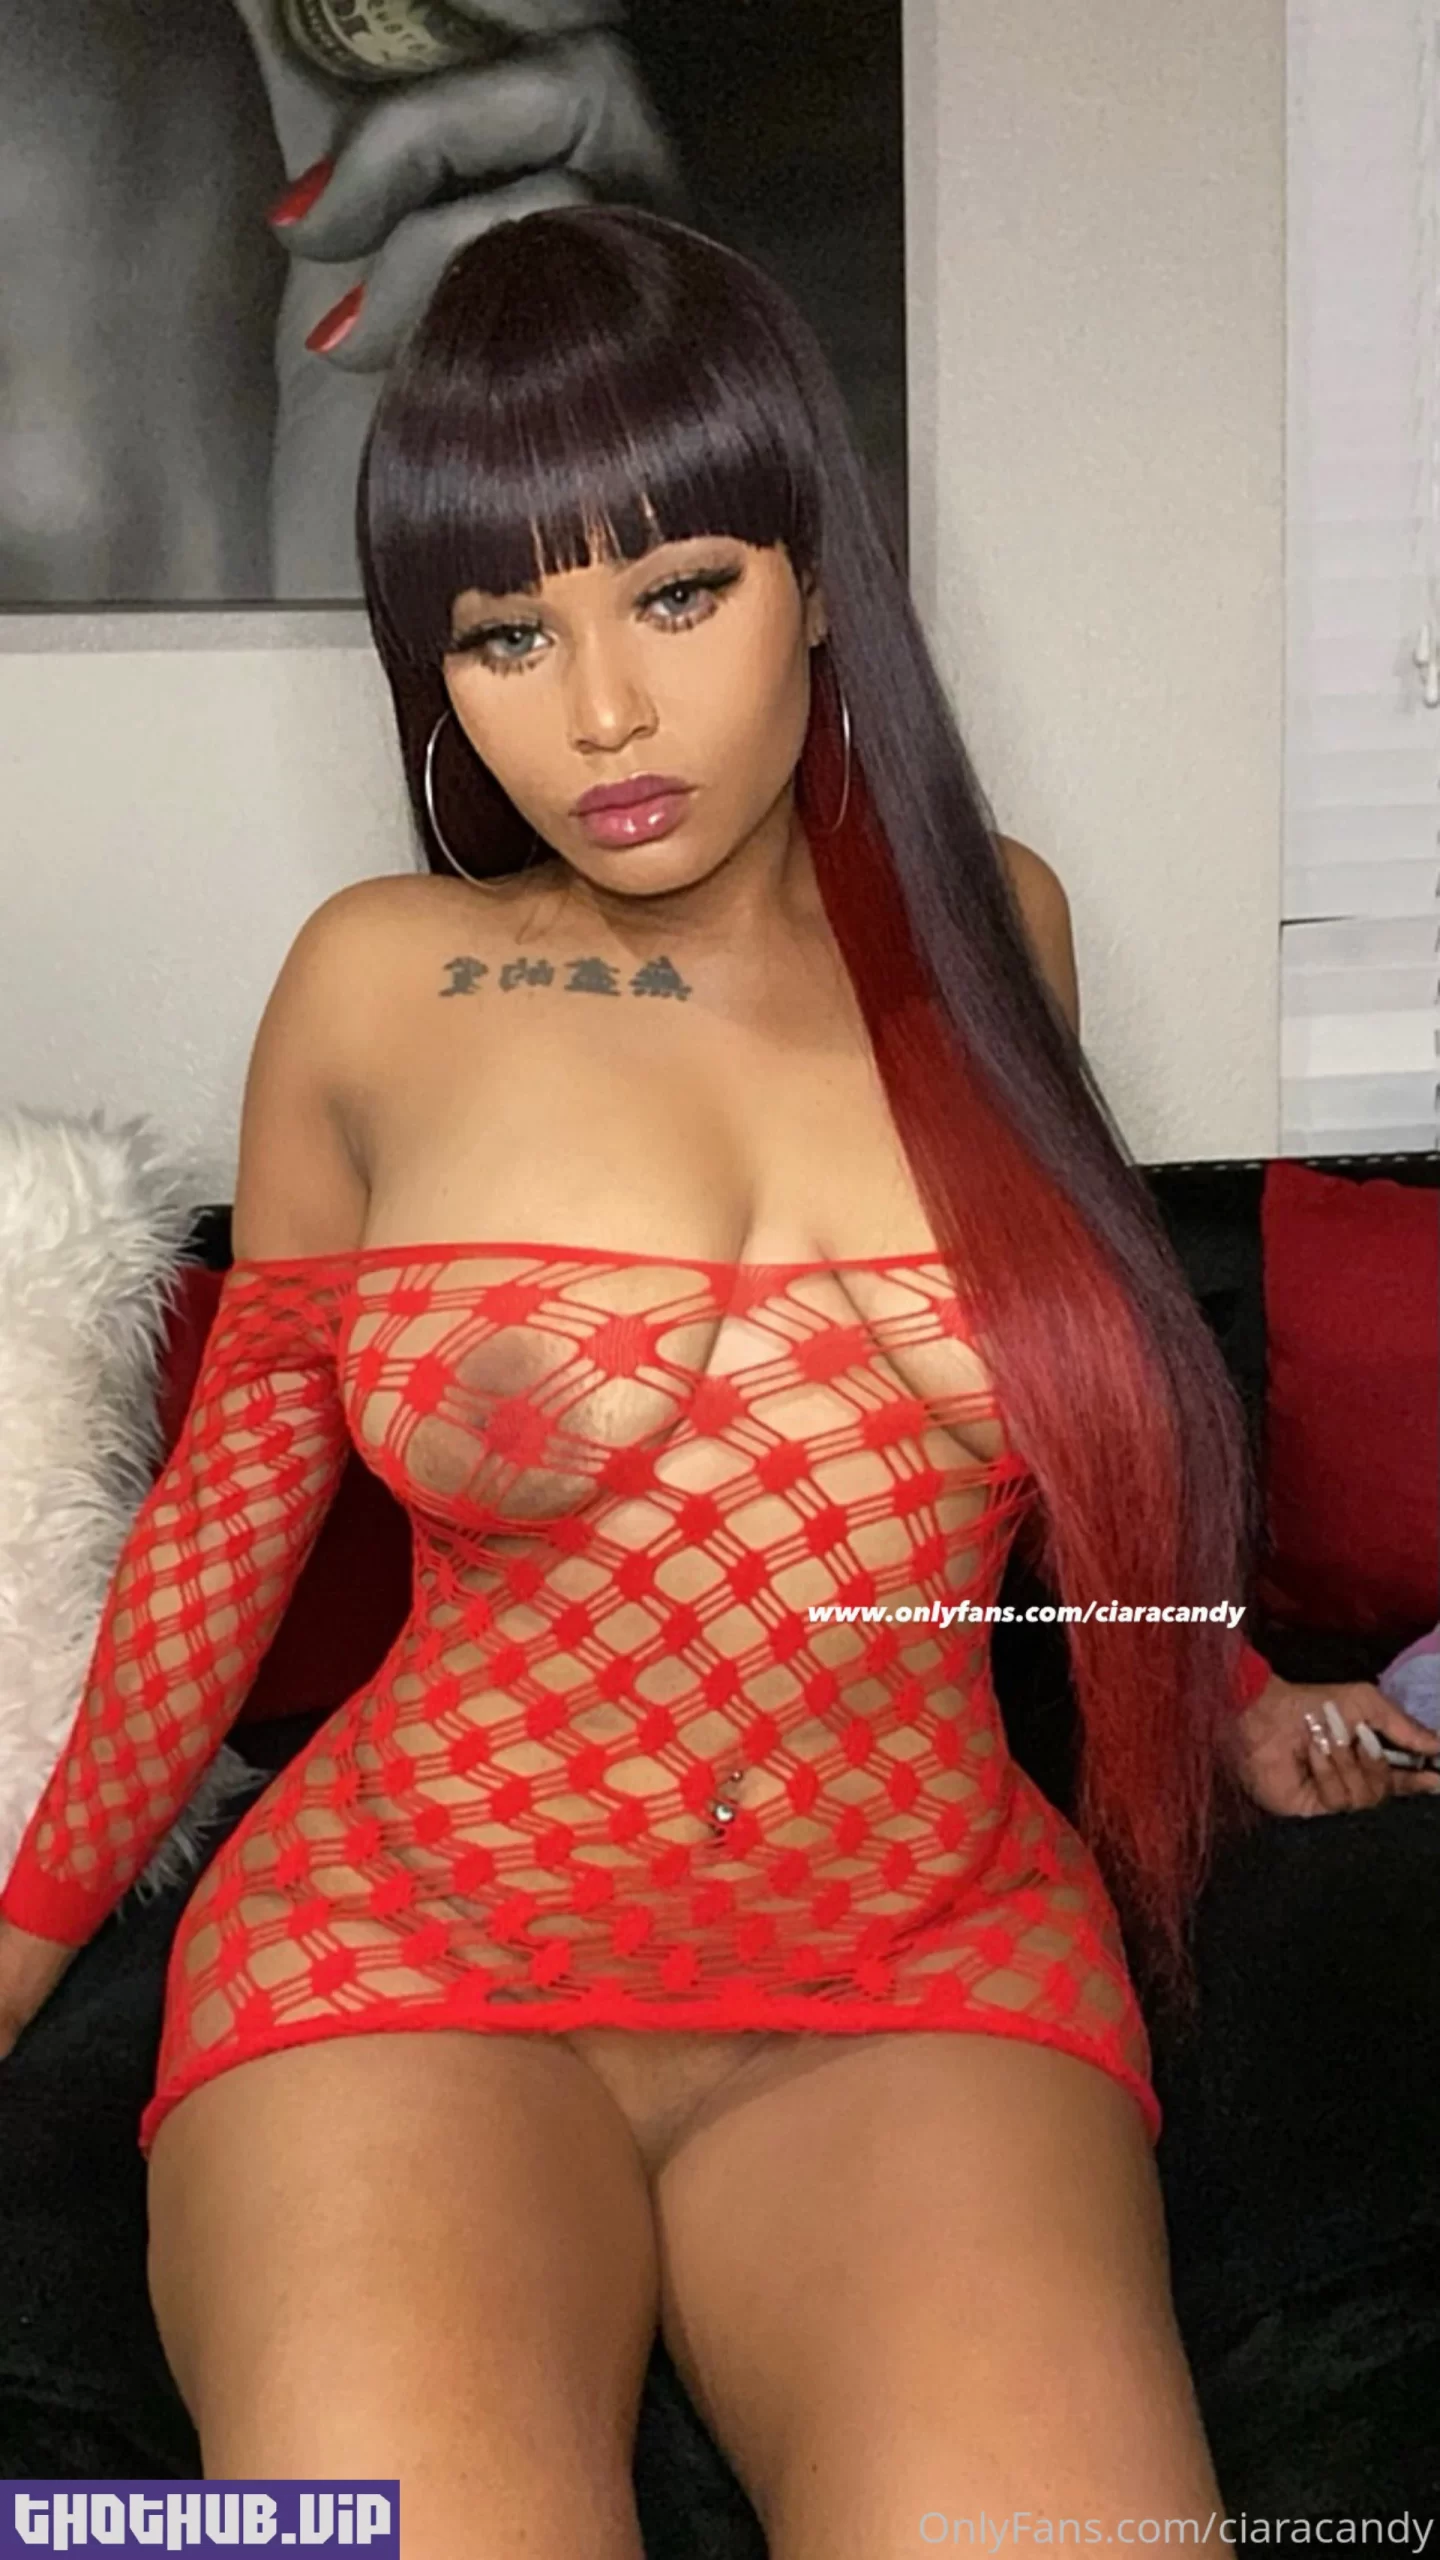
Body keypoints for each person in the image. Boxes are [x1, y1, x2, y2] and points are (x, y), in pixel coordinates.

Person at [2, 206, 1437, 2550]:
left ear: (817, 574)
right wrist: (11, 1955)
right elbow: (226, 1525)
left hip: (918, 1958)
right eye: (506, 630)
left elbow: (1068, 1394)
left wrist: (1229, 1676)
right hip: (407, 1952)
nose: (598, 713)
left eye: (677, 591)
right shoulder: (376, 978)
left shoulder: (998, 928)